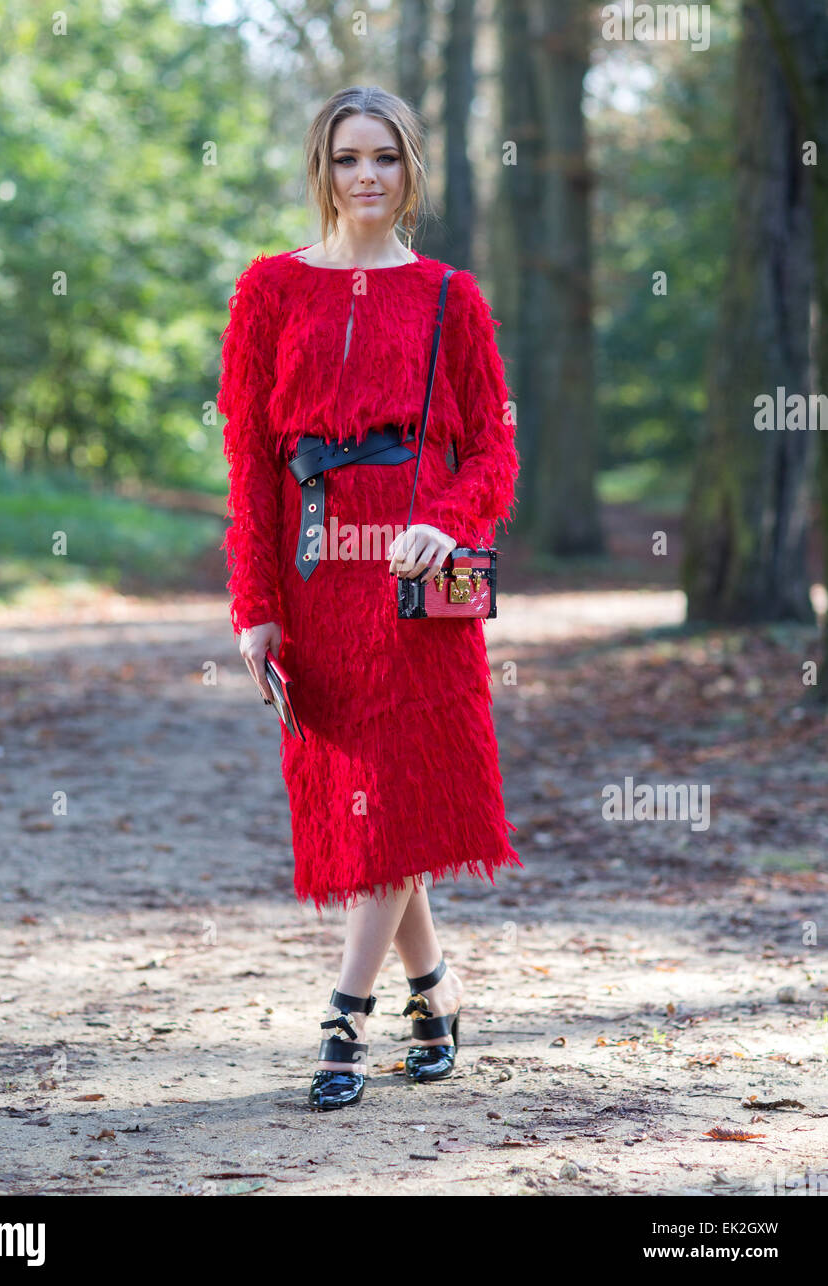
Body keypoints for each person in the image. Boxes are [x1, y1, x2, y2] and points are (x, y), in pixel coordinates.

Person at [216, 84, 522, 1111]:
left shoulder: (449, 296)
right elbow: (250, 464)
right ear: (321, 169)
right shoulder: (267, 292)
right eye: (347, 158)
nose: (365, 177)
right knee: (366, 803)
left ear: (410, 171)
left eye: (384, 158)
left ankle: (343, 1012)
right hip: (314, 573)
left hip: (415, 574)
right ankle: (433, 995)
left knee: (393, 793)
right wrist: (253, 602)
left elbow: (493, 443)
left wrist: (447, 513)